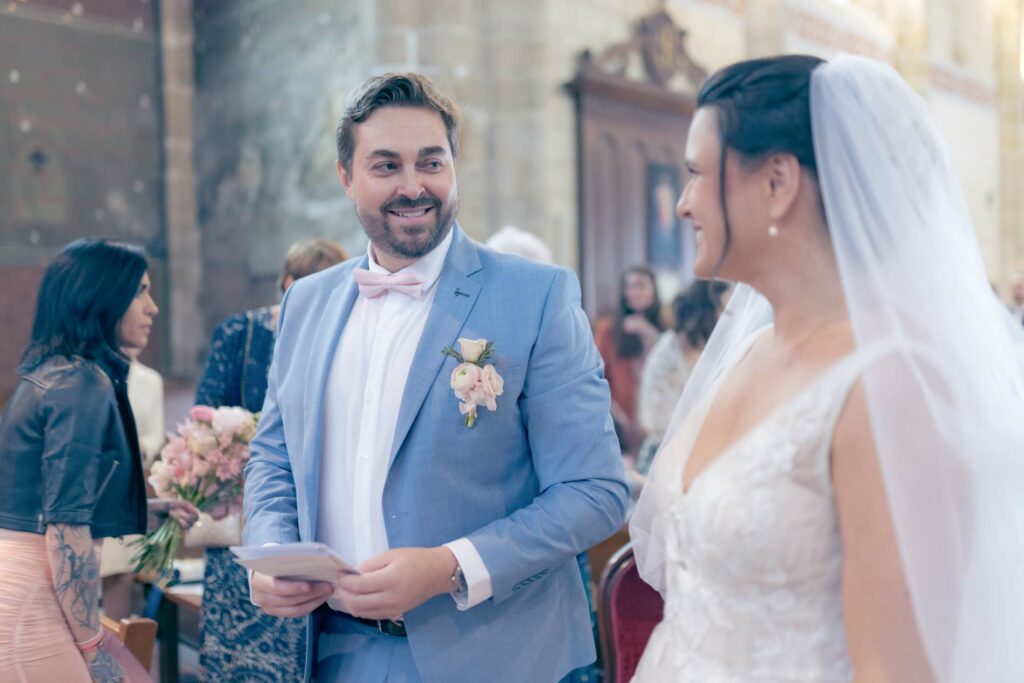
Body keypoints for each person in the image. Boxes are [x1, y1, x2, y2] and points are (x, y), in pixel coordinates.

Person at [630, 54, 1024, 681]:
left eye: (698, 173)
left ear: (777, 183)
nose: (681, 204)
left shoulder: (891, 384)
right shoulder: (751, 354)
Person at [243, 72, 628, 682]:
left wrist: (451, 565)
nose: (413, 185)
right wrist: (270, 555)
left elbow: (594, 490)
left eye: (431, 162)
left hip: (498, 652)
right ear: (346, 178)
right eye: (386, 166)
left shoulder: (536, 295)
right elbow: (273, 455)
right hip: (337, 653)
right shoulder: (306, 304)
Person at [0, 239, 198, 682]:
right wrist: (92, 648)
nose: (153, 309)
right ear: (101, 299)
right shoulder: (81, 382)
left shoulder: (55, 371)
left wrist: (142, 510)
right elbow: (64, 527)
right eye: (139, 292)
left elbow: (44, 504)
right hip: (35, 604)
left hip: (23, 589)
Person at [194, 237, 347, 682]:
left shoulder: (337, 340)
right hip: (242, 515)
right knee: (235, 659)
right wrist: (238, 445)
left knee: (297, 657)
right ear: (287, 285)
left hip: (313, 522)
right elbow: (203, 419)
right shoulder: (239, 334)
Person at [634, 280, 728, 476]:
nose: (727, 318)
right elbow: (656, 422)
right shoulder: (667, 355)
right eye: (723, 310)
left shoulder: (713, 351)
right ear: (705, 312)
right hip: (665, 459)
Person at [99, 348, 165, 621]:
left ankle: (115, 653)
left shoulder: (150, 380)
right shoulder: (92, 373)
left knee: (121, 574)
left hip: (126, 485)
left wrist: (139, 446)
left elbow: (156, 436)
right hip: (92, 484)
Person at [593, 266, 663, 454]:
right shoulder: (609, 331)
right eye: (629, 287)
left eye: (641, 286)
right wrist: (619, 418)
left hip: (659, 423)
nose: (634, 292)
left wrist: (647, 331)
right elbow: (597, 376)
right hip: (619, 423)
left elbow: (672, 363)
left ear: (654, 290)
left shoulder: (665, 326)